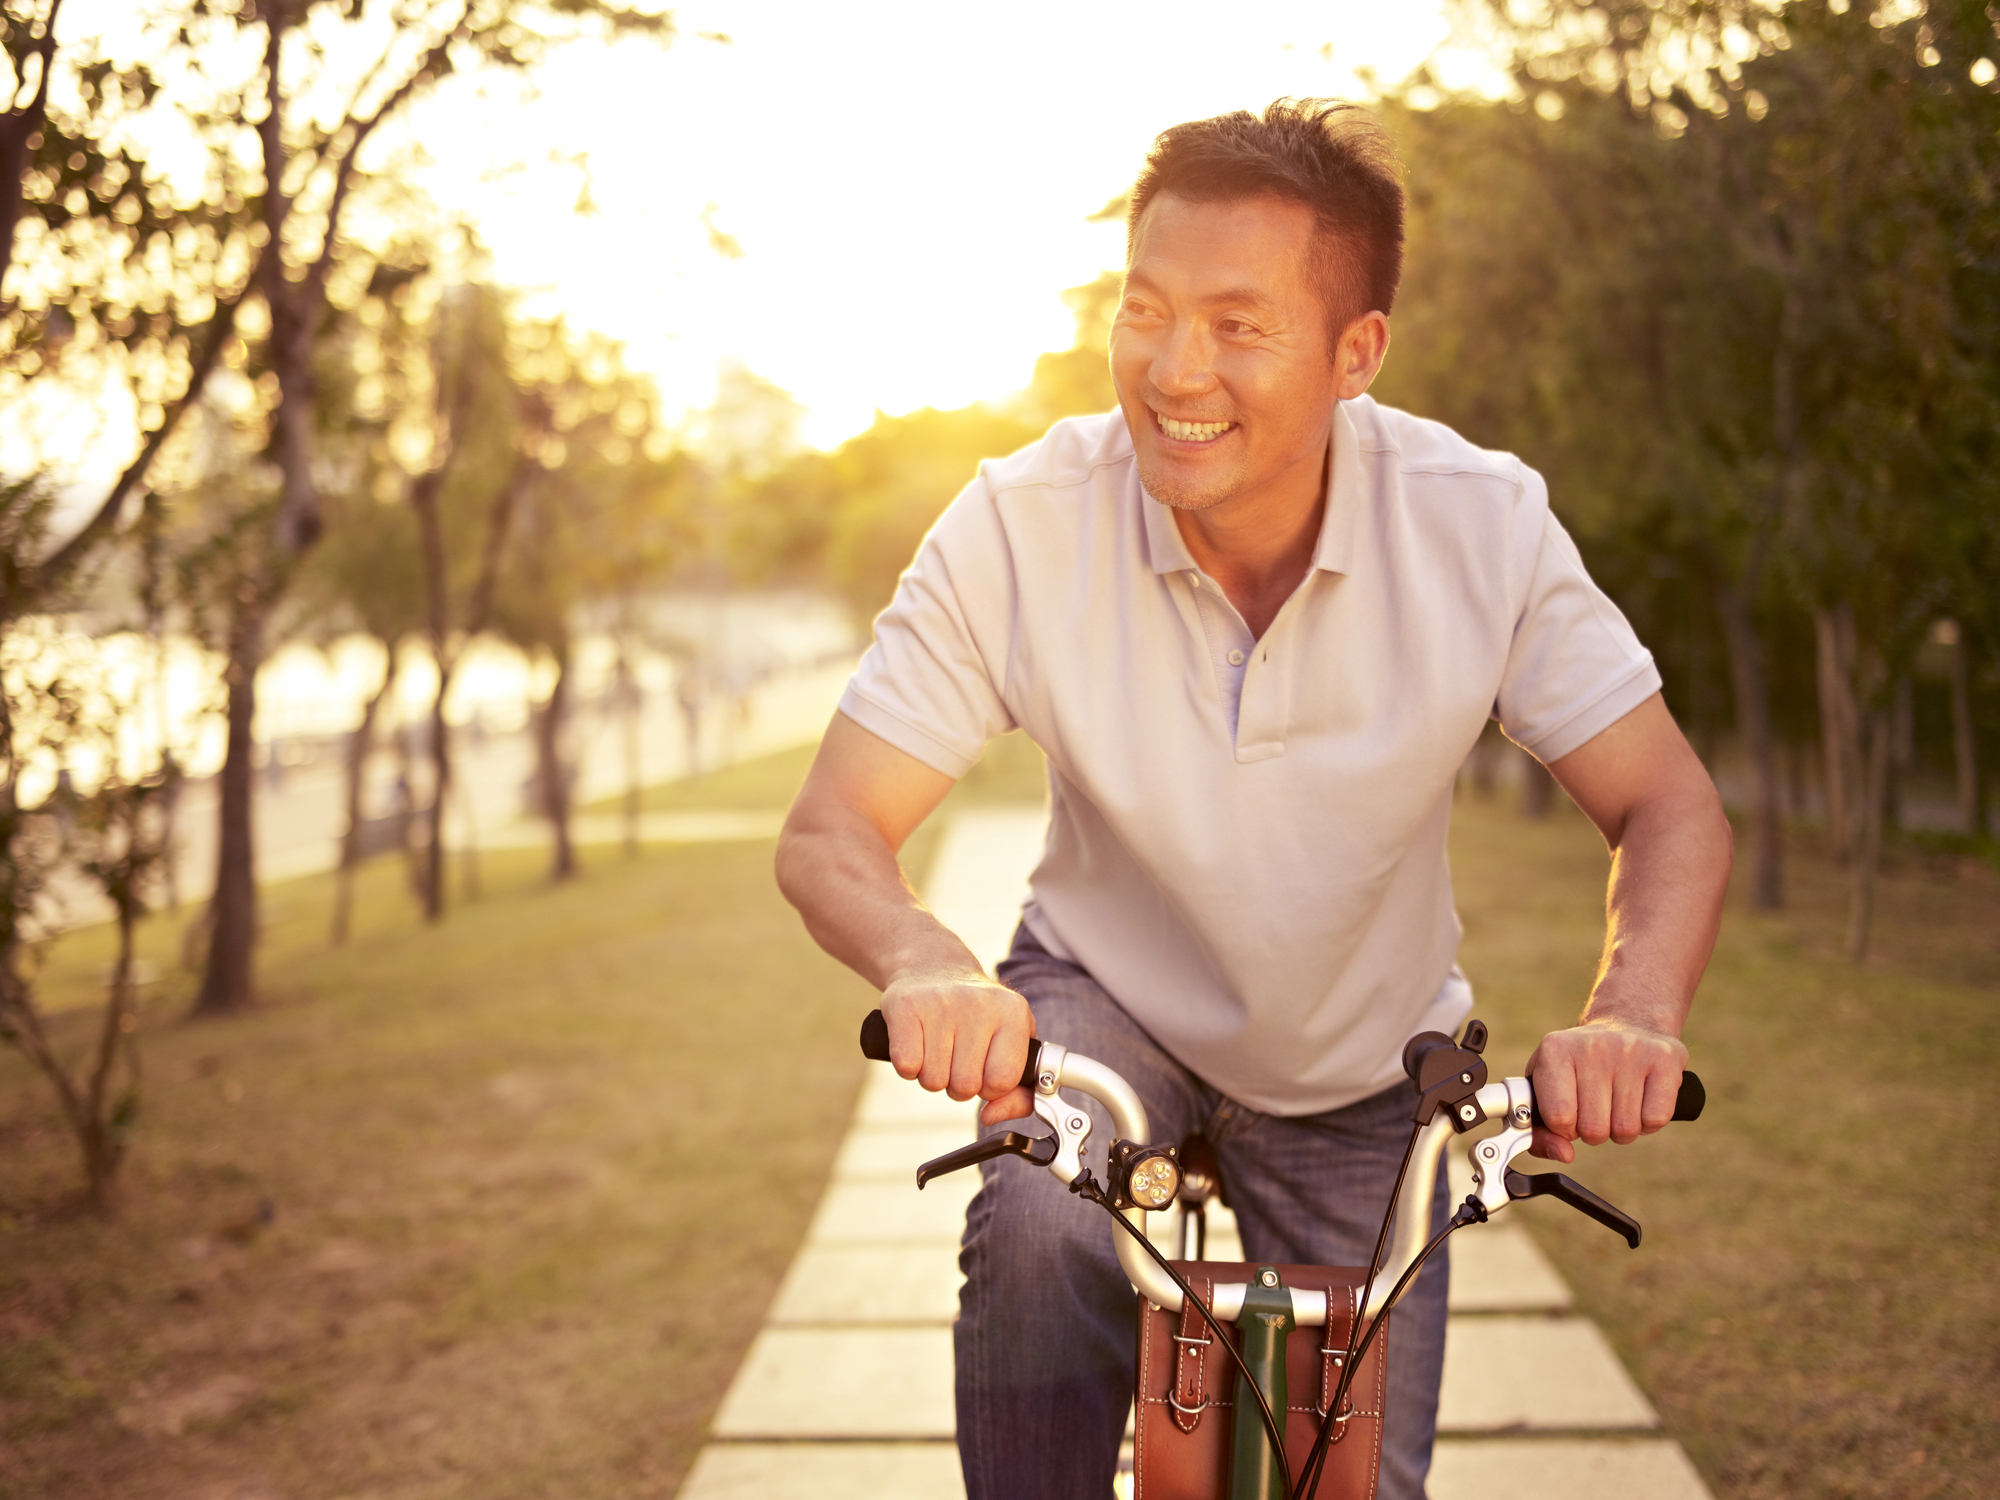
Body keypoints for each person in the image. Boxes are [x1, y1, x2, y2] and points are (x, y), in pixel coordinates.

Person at [776, 99, 1731, 1500]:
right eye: (1145, 308)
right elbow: (831, 829)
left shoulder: (1480, 523)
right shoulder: (1020, 522)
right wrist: (928, 961)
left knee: (1351, 1486)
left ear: (1358, 355)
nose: (1173, 370)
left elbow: (1668, 805)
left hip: (1362, 1058)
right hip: (1109, 1004)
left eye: (1238, 323)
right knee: (1037, 1221)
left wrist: (1634, 1009)